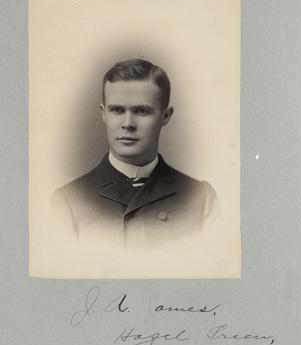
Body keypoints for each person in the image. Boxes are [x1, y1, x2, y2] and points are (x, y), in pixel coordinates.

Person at [49, 58, 218, 249]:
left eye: (141, 111)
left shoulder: (201, 199)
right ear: (104, 114)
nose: (128, 123)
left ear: (165, 116)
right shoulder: (69, 202)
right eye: (117, 110)